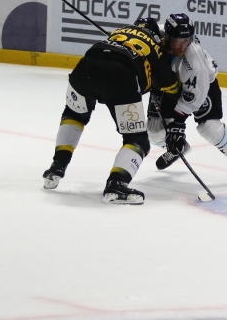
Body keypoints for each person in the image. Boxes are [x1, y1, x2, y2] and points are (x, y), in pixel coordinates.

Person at [41, 19, 181, 204]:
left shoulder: (118, 33)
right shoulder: (155, 46)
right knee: (137, 140)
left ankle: (57, 166)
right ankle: (117, 184)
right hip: (120, 77)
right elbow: (172, 87)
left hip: (85, 68)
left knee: (74, 116)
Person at [147, 13, 227, 183]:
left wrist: (177, 125)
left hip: (201, 87)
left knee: (209, 128)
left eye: (187, 41)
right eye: (178, 41)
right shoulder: (158, 34)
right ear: (168, 36)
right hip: (168, 83)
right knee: (155, 132)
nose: (182, 46)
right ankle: (178, 147)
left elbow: (195, 98)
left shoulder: (194, 63)